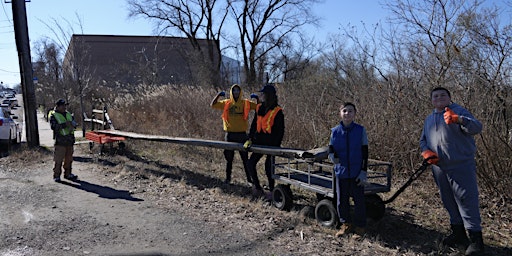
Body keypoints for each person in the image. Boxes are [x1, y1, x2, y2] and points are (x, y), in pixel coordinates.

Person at [420, 87, 484, 255]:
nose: (439, 98)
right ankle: (458, 234)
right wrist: (426, 151)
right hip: (439, 168)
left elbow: (477, 128)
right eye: (435, 96)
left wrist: (459, 120)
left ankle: (476, 240)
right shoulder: (429, 119)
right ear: (432, 100)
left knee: (466, 200)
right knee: (448, 200)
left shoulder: (458, 111)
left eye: (443, 95)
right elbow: (423, 140)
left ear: (449, 98)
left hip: (461, 165)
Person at [328, 102, 368, 239]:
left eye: (350, 111)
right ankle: (346, 225)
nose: (347, 113)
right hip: (341, 172)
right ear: (340, 113)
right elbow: (331, 148)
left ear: (355, 114)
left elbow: (365, 152)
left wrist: (363, 171)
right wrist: (332, 157)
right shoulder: (335, 131)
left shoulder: (360, 130)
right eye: (344, 111)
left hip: (357, 172)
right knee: (342, 200)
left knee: (359, 200)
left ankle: (360, 227)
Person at [211, 84, 258, 184]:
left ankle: (249, 180)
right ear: (231, 92)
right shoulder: (226, 103)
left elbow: (259, 107)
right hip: (230, 135)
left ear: (240, 92)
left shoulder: (245, 103)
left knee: (245, 159)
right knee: (229, 159)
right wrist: (218, 95)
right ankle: (228, 179)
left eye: (238, 90)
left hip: (242, 135)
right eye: (234, 91)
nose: (236, 92)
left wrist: (257, 99)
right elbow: (213, 104)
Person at [244, 84, 285, 197]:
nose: (262, 96)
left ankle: (272, 190)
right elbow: (254, 125)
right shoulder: (259, 108)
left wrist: (276, 146)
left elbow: (280, 131)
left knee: (269, 167)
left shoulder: (278, 111)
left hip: (271, 143)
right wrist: (250, 138)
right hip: (259, 141)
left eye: (264, 94)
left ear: (269, 95)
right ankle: (257, 187)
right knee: (250, 163)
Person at [49, 99, 78, 182]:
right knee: (58, 160)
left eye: (65, 105)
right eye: (63, 105)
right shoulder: (53, 115)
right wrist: (65, 124)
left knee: (69, 159)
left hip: (70, 140)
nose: (64, 107)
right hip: (60, 141)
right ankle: (57, 176)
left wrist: (74, 124)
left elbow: (74, 123)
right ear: (58, 106)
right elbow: (53, 127)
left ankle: (68, 174)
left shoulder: (68, 114)